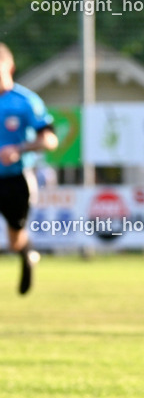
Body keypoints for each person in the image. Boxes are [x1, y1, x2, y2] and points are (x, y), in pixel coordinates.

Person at [0, 43, 59, 295]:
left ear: (9, 67)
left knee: (15, 239)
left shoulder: (25, 102)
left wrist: (19, 149)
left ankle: (26, 254)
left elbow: (50, 140)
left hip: (15, 179)